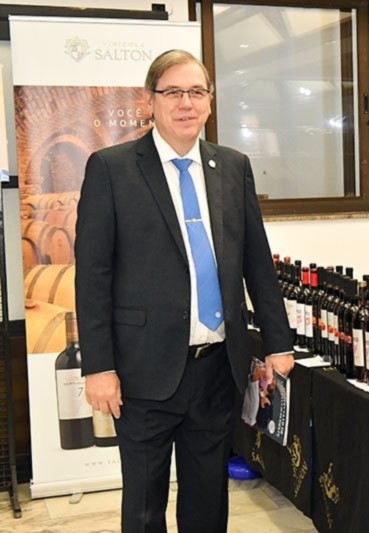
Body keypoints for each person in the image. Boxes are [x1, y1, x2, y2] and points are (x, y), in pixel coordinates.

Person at [75, 49, 294, 532]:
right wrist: (99, 367)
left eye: (196, 92)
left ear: (210, 102)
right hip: (141, 372)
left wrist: (278, 343)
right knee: (144, 505)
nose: (186, 103)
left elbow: (257, 262)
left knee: (207, 500)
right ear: (149, 101)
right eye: (172, 92)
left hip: (217, 368)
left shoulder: (232, 166)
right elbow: (92, 276)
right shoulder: (112, 168)